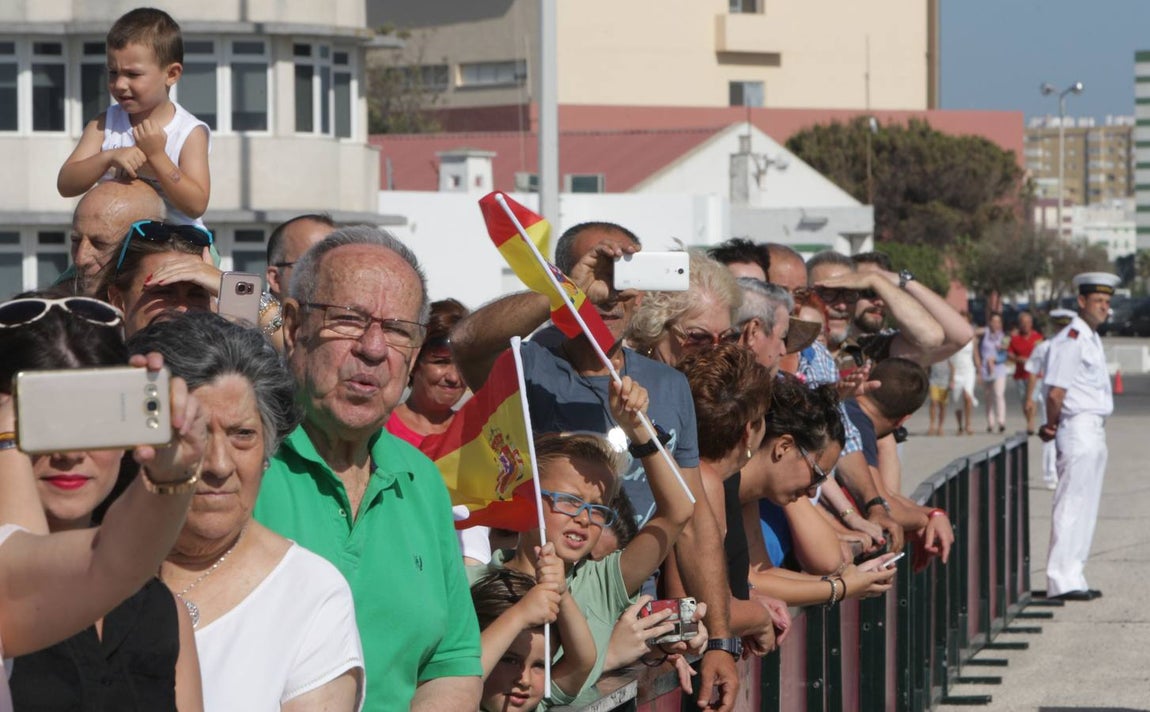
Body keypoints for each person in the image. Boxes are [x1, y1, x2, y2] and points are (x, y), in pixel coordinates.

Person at [452, 222, 741, 710]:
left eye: (621, 276)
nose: (607, 294)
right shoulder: (525, 362)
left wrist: (720, 642)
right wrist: (567, 290)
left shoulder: (668, 387)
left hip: (626, 617)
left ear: (642, 294)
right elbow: (466, 344)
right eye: (595, 275)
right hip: (534, 621)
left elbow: (690, 522)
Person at [253, 227, 482, 711]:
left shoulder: (421, 480)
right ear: (294, 327)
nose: (374, 348)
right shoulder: (239, 461)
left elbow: (452, 661)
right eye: (349, 321)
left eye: (398, 331)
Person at [129, 312, 365, 711]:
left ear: (268, 452)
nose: (219, 465)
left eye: (243, 436)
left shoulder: (310, 596)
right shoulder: (87, 573)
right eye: (194, 435)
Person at [0, 297, 206, 712]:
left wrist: (173, 466)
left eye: (91, 419)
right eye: (45, 422)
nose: (69, 453)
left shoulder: (162, 612)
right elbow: (101, 561)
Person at [740, 374, 899, 606]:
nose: (813, 493)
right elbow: (751, 583)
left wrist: (848, 581)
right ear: (784, 447)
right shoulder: (720, 485)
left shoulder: (746, 497)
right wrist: (841, 587)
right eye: (816, 475)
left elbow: (762, 573)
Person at [676, 344, 787, 659]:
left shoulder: (709, 480)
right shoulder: (703, 482)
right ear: (749, 430)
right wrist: (758, 618)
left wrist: (751, 600)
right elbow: (689, 607)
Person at [58, 8, 211, 228]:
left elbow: (196, 205)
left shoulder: (189, 132)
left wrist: (158, 157)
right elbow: (66, 184)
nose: (119, 84)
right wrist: (108, 157)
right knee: (81, 260)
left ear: (171, 74)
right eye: (113, 72)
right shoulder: (103, 126)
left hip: (179, 244)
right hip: (118, 244)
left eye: (133, 74)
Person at [1038, 272, 1120, 601]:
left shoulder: (1090, 337)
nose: (1104, 307)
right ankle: (1061, 579)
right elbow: (1056, 393)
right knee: (1071, 503)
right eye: (1098, 301)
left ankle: (1075, 574)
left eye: (1108, 302)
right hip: (1076, 426)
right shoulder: (1071, 338)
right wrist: (1052, 424)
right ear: (1082, 302)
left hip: (1094, 427)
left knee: (1085, 506)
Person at [385, 298, 486, 563]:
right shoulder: (378, 430)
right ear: (415, 361)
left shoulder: (479, 434)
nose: (453, 377)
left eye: (462, 365)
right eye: (441, 361)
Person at [99, 220, 218, 336]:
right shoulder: (87, 355)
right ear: (118, 302)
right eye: (164, 292)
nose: (182, 309)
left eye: (196, 295)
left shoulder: (231, 354)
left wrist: (230, 287)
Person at [625, 249, 742, 364]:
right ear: (656, 328)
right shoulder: (624, 377)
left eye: (726, 339)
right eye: (699, 338)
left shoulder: (737, 380)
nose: (716, 352)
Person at [57, 180, 165, 295]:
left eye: (100, 244)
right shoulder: (53, 307)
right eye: (76, 241)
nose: (80, 260)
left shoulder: (180, 307)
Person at [262, 214, 337, 349]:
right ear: (275, 279)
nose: (329, 275)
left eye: (336, 265)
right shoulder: (244, 334)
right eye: (313, 266)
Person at [1025, 309, 1076, 490]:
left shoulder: (1077, 345)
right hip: (1050, 397)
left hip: (1073, 398)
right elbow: (1032, 372)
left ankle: (1066, 472)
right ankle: (1050, 474)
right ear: (1054, 326)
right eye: (1060, 325)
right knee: (1050, 433)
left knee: (1070, 436)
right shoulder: (1045, 347)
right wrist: (1029, 398)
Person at [1007, 311, 1043, 434]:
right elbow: (1009, 355)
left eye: (1028, 322)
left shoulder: (1037, 338)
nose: (1026, 325)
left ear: (1031, 324)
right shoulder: (1015, 339)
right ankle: (1029, 421)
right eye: (1023, 323)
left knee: (1032, 399)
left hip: (1036, 375)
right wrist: (1018, 359)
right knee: (1024, 401)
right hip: (1020, 375)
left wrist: (1032, 361)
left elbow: (1042, 354)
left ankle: (1031, 423)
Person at [979, 312, 1009, 433]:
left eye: (998, 322)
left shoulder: (1003, 336)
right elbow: (973, 332)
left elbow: (1006, 353)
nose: (996, 324)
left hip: (999, 368)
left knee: (999, 394)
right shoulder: (985, 333)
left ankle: (1001, 421)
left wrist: (995, 359)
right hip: (985, 369)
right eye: (994, 321)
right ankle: (990, 423)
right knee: (988, 397)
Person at [949, 317, 979, 435]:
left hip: (969, 371)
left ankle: (968, 424)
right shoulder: (952, 339)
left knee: (968, 396)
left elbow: (976, 355)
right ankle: (960, 426)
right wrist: (951, 375)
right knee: (957, 402)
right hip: (957, 372)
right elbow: (949, 358)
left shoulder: (972, 339)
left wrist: (980, 370)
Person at [927, 360, 952, 436]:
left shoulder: (948, 354)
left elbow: (952, 367)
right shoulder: (933, 354)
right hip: (933, 381)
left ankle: (940, 427)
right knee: (933, 402)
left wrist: (952, 380)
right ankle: (932, 426)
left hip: (945, 383)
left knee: (942, 406)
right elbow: (928, 367)